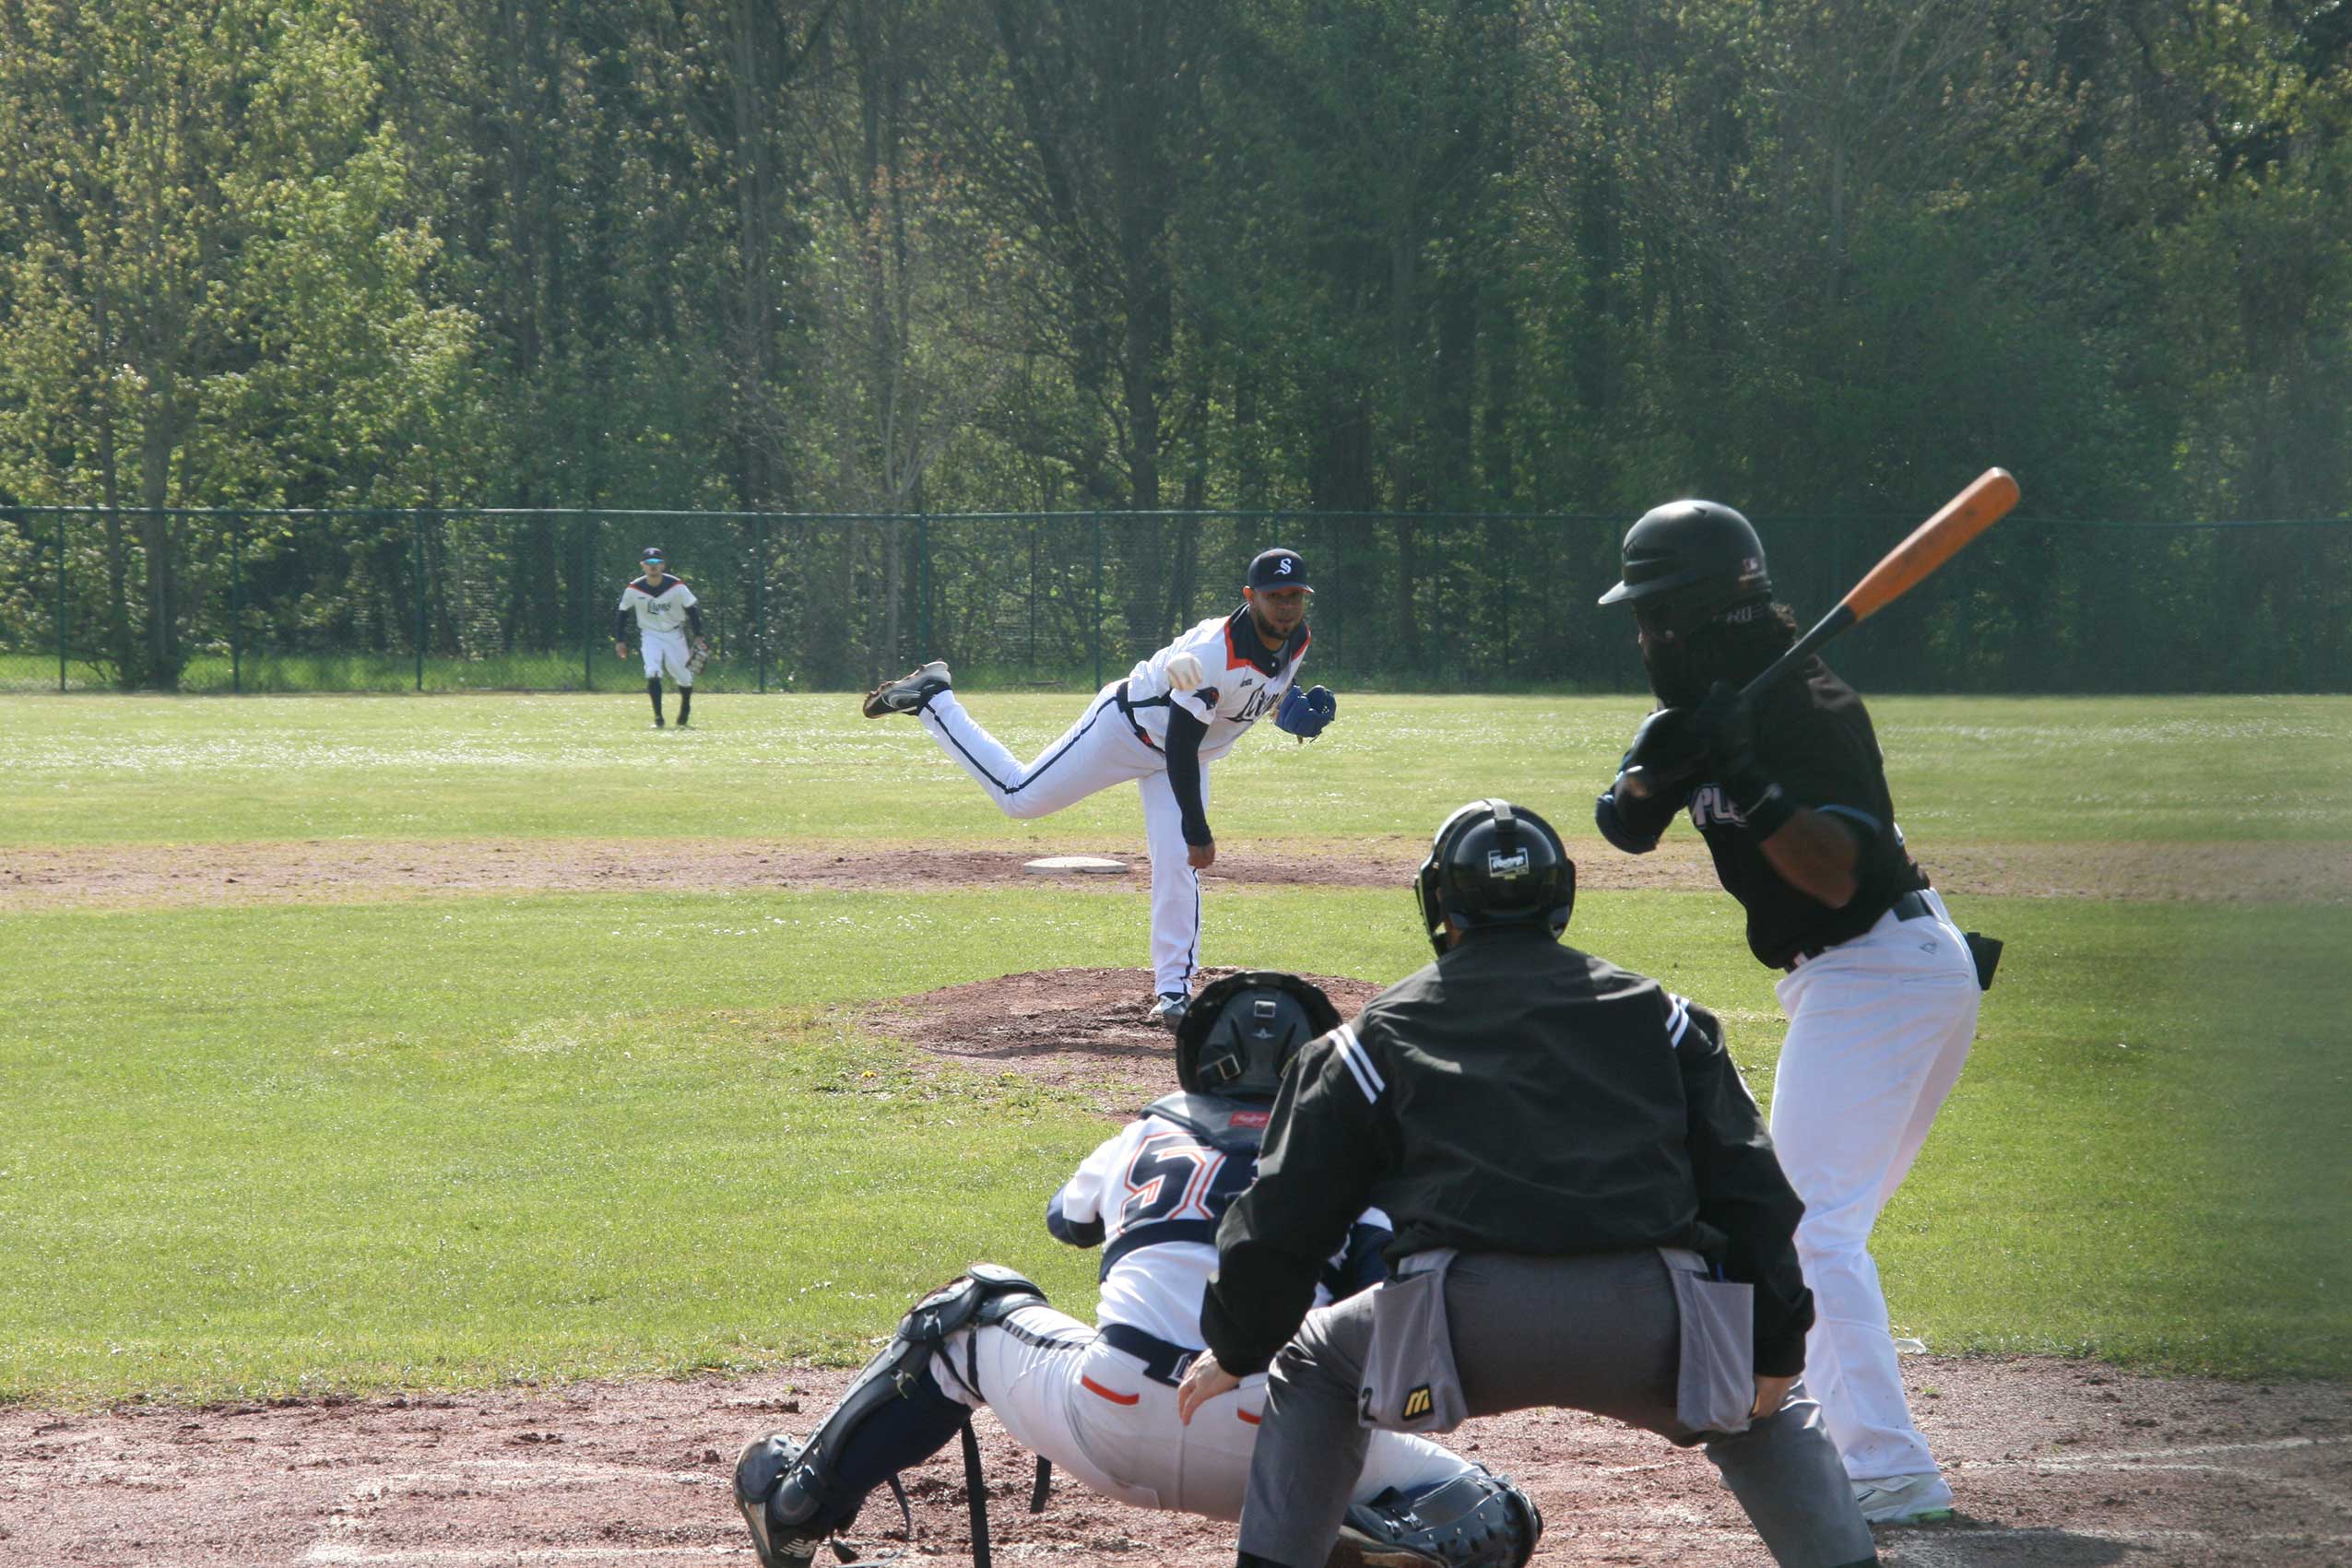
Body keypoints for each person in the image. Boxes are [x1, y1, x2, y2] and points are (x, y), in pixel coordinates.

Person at [1176, 800, 1878, 1568]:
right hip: (1653, 1318)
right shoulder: (1669, 1019)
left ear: (1436, 901)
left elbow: (1283, 1217)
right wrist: (1774, 1346)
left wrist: (1238, 1345)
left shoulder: (1369, 1038)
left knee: (1313, 1365)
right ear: (1561, 895)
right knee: (1765, 1400)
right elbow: (1755, 1197)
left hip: (1450, 1328)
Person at [731, 972, 1538, 1568]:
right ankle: (1361, 1534)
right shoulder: (1350, 1154)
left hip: (1109, 1416)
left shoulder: (1141, 1136)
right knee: (1491, 1514)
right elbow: (1385, 1294)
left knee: (968, 1310)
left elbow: (1066, 1221)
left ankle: (797, 1502)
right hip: (1289, 1448)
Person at [1591, 500, 1988, 1526]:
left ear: (1692, 612)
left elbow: (1834, 874)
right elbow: (1622, 827)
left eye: (1652, 617)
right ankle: (1815, 1416)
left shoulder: (1806, 712)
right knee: (1818, 1223)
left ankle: (1888, 1473)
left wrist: (1747, 775)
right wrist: (1653, 770)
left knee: (1808, 1226)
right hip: (1865, 977)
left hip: (1879, 967)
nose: (1643, 639)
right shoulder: (1721, 692)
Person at [860, 548, 1337, 1029]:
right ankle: (933, 700)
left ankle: (1174, 991)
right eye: (1276, 596)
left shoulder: (1296, 638)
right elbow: (1180, 744)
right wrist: (1197, 828)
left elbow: (1251, 690)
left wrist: (1283, 712)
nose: (1287, 605)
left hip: (1182, 750)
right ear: (1251, 597)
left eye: (1296, 595)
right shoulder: (1212, 652)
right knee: (1019, 798)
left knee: (1176, 864)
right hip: (1126, 731)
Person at [613, 546, 709, 728]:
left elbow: (692, 610)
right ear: (642, 565)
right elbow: (622, 613)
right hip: (650, 634)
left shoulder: (676, 586)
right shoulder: (634, 588)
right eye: (649, 563)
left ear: (663, 565)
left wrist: (699, 636)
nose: (653, 566)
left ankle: (685, 710)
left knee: (683, 676)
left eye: (656, 562)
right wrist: (620, 640)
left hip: (675, 634)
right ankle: (659, 719)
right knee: (652, 671)